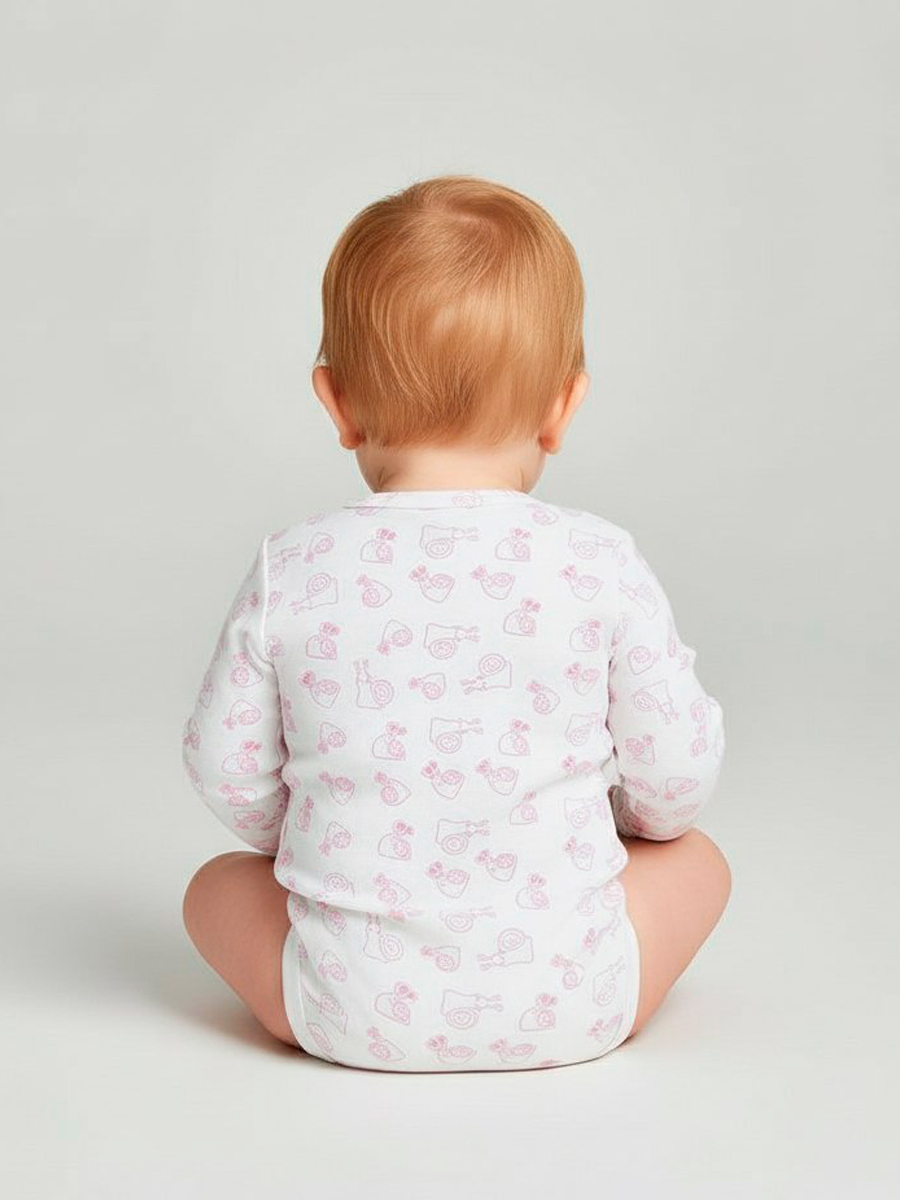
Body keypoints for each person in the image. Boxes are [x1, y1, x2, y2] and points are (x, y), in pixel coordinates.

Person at [181, 174, 732, 1071]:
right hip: (577, 1001)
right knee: (699, 860)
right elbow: (675, 783)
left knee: (213, 888)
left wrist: (329, 834)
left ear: (336, 402)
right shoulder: (597, 561)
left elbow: (227, 771)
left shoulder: (294, 565)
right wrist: (611, 825)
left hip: (345, 1008)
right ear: (563, 407)